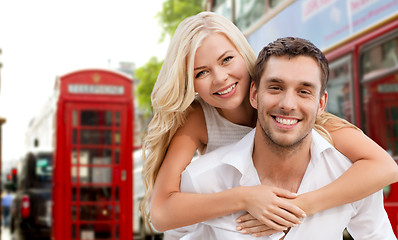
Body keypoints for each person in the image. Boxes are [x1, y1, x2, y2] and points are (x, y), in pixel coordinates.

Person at [141, 11, 398, 235]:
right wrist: (245, 197)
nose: (220, 78)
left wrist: (299, 206)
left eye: (227, 59)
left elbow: (386, 167)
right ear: (190, 83)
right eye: (201, 72)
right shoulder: (198, 118)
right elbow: (162, 212)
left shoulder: (292, 110)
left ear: (244, 54)